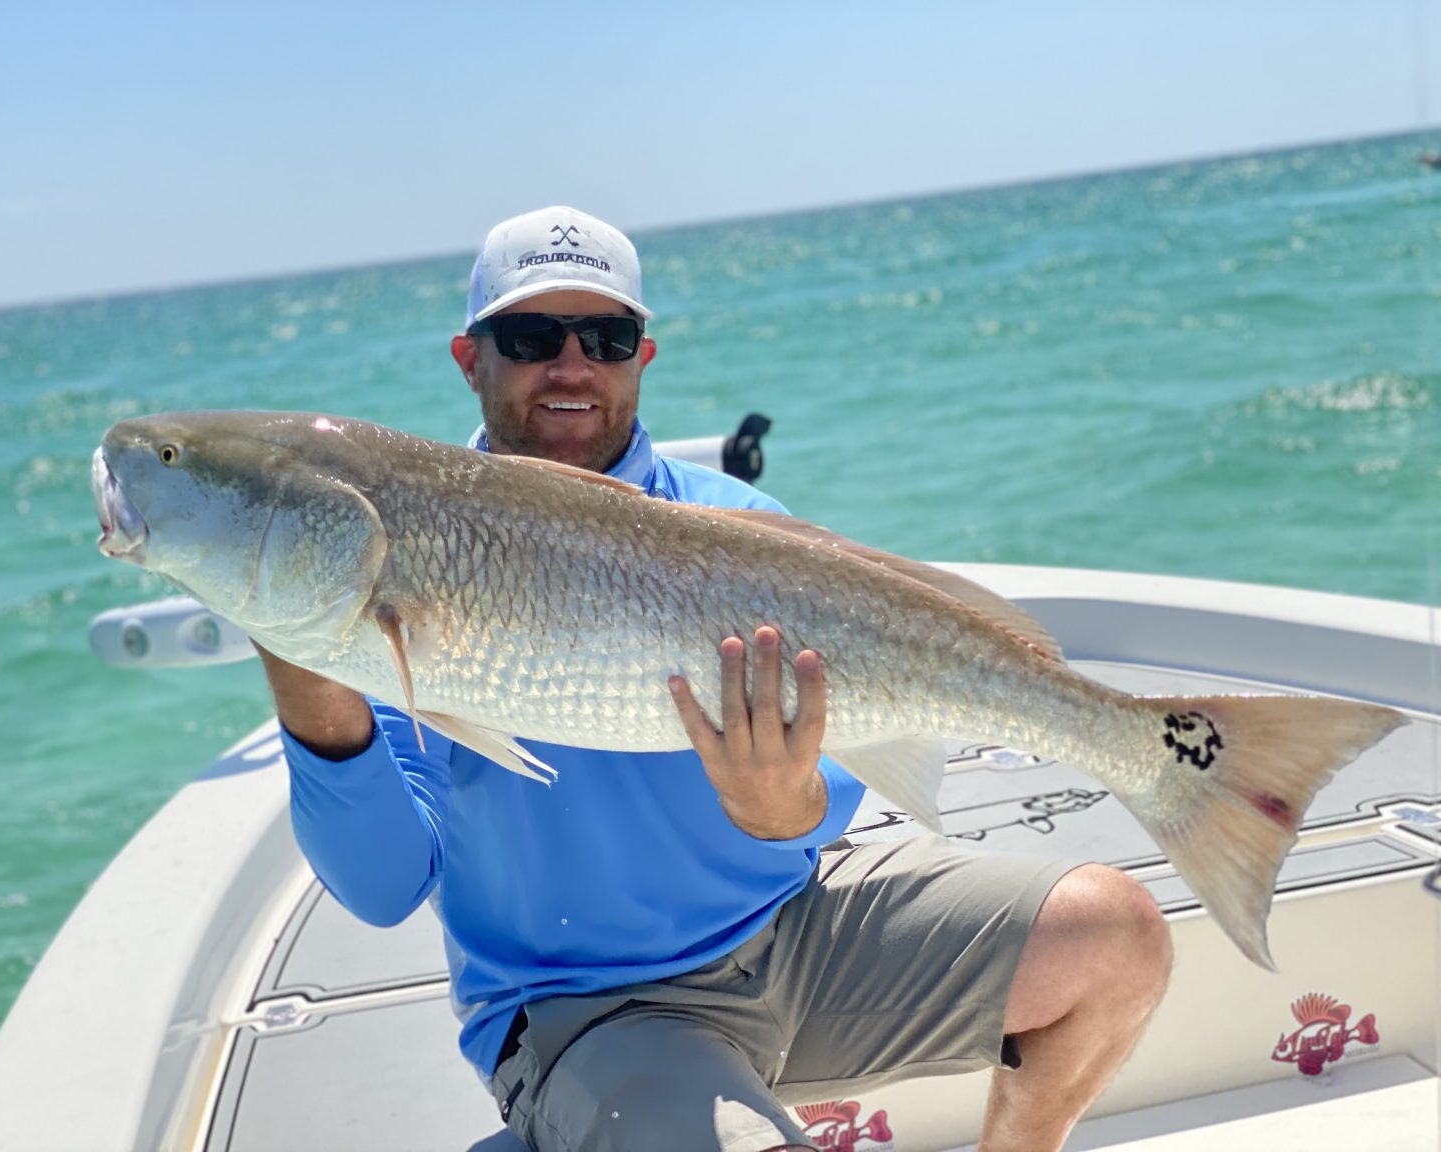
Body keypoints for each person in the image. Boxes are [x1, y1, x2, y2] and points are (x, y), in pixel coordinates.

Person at [257, 206, 1173, 1152]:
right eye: (531, 337)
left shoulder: (742, 526)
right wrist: (302, 663)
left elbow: (821, 810)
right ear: (469, 358)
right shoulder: (398, 557)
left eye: (605, 337)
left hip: (794, 932)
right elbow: (384, 886)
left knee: (1116, 934)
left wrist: (784, 807)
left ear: (640, 358)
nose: (571, 367)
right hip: (593, 1012)